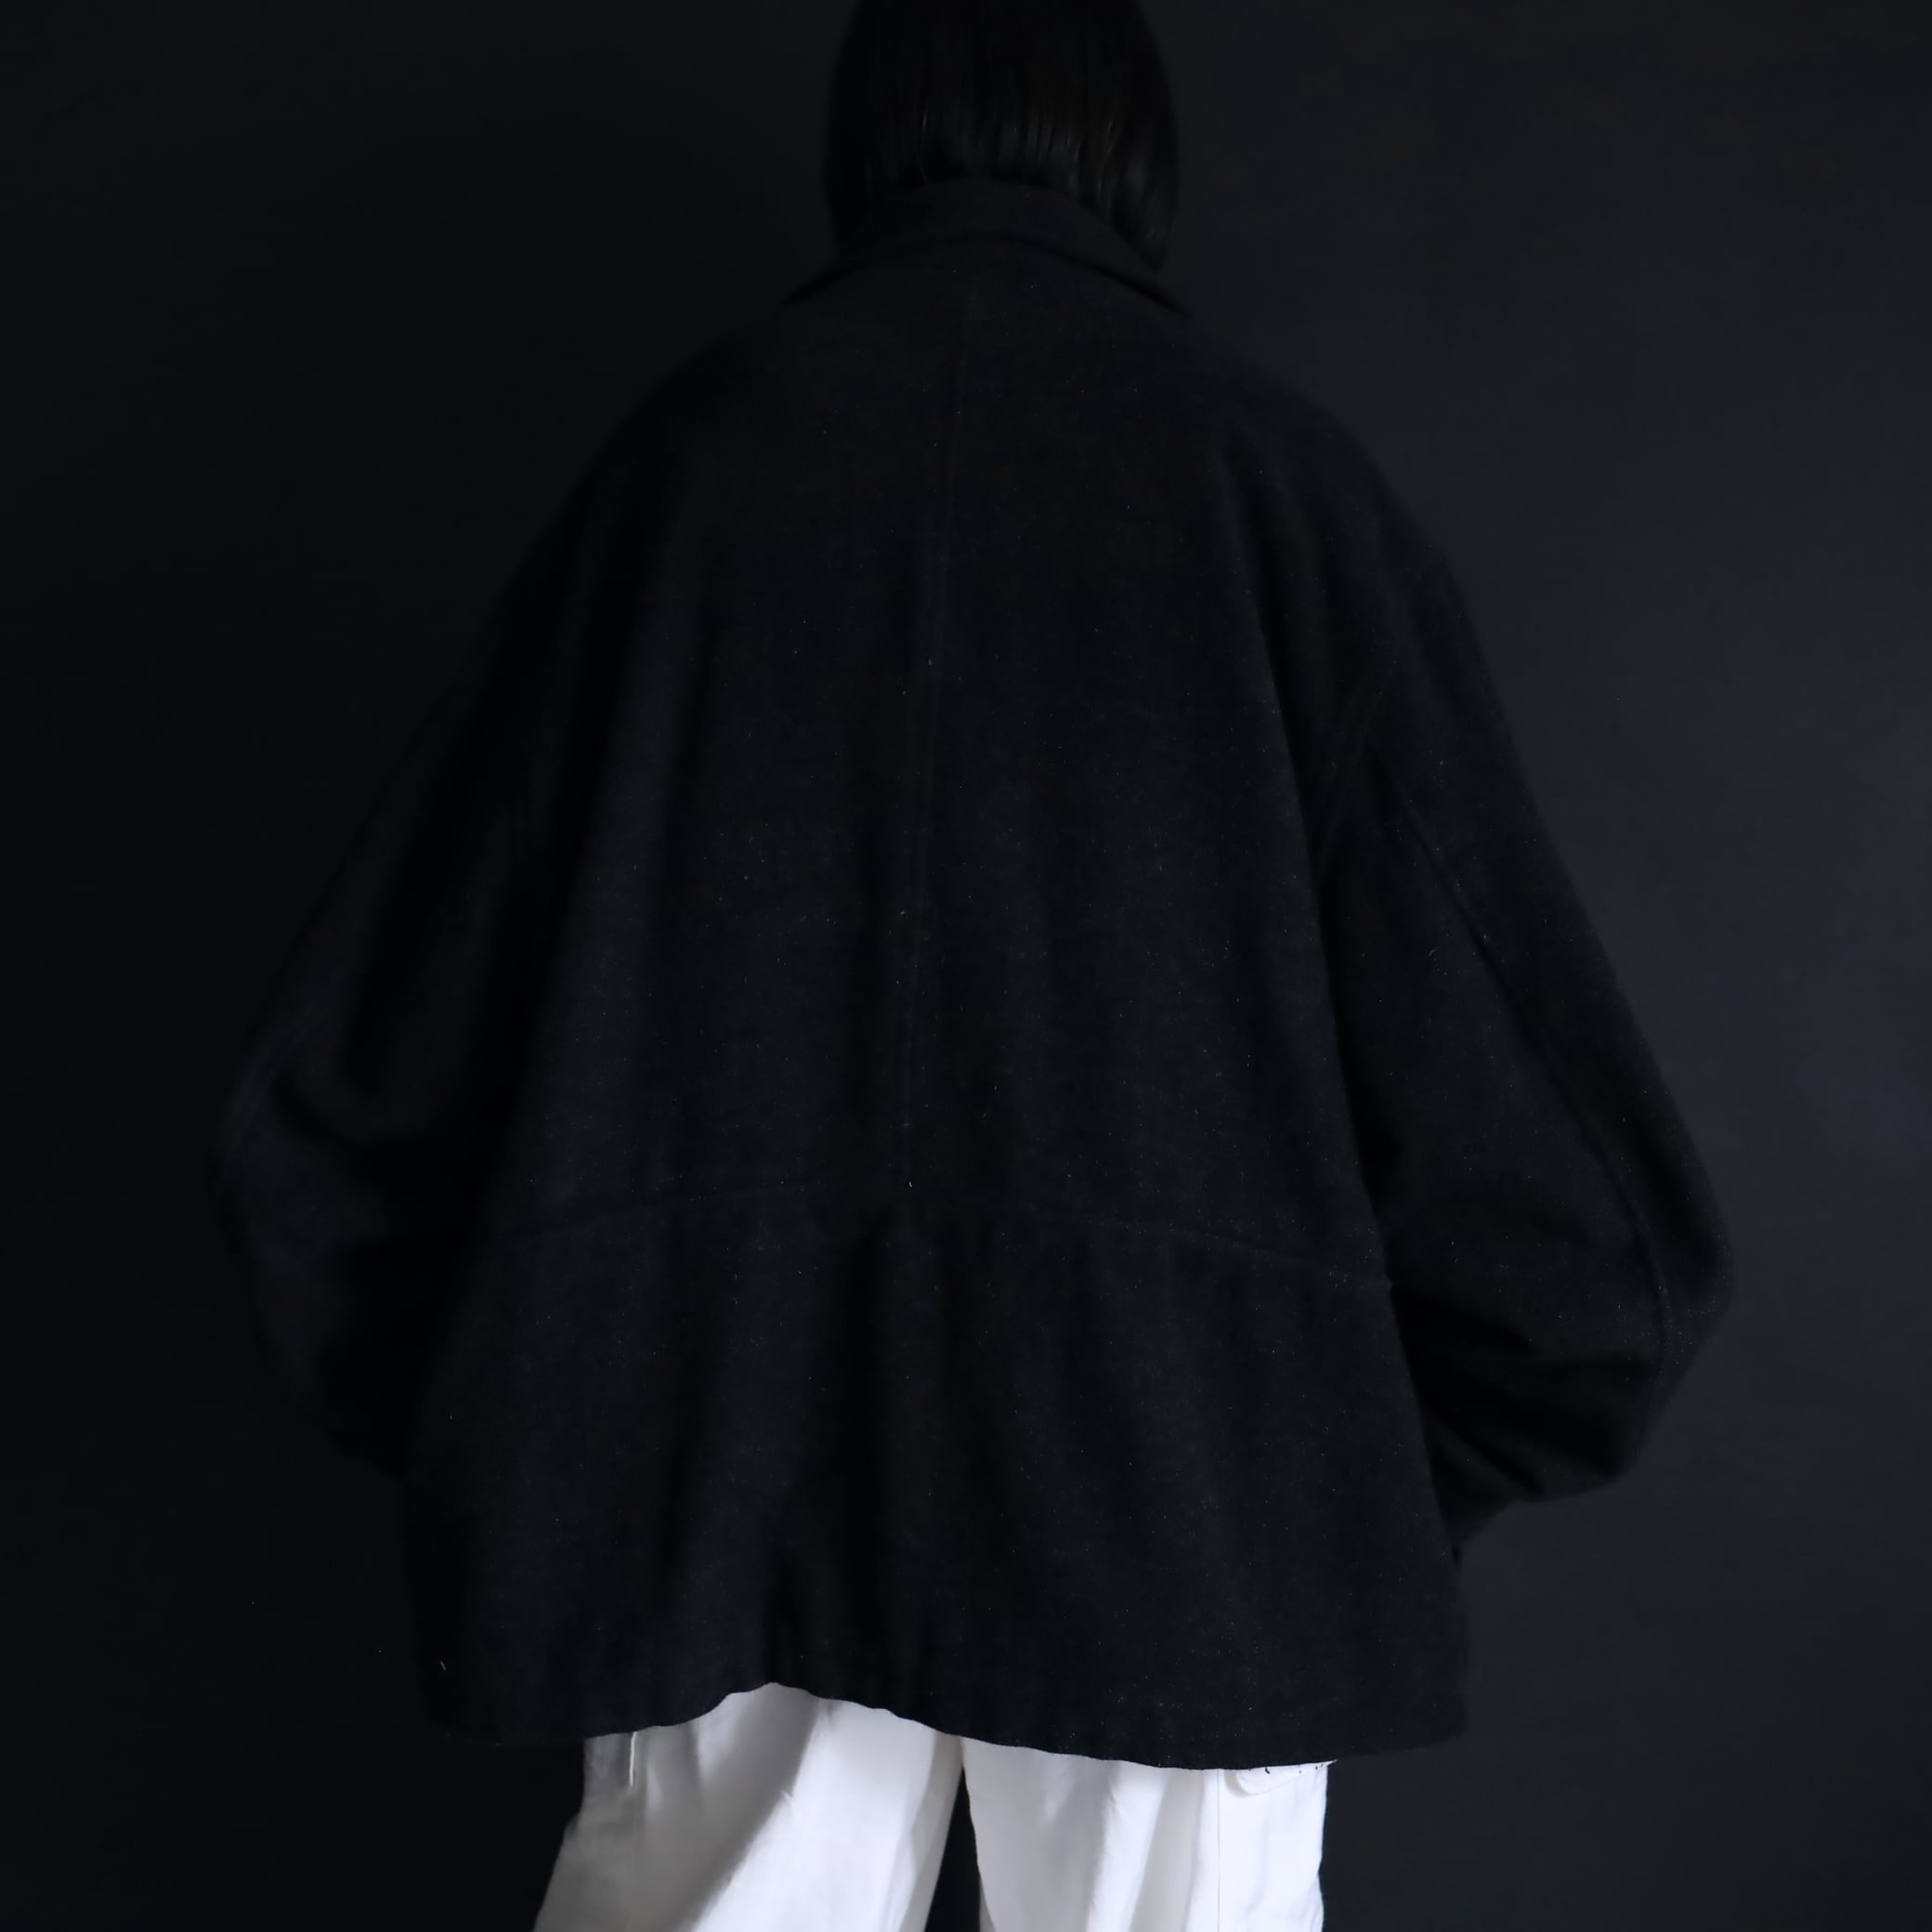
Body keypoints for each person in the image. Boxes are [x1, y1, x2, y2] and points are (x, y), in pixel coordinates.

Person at [205, 0, 1736, 1925]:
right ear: (1135, 157)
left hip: (710, 1495)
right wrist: (1314, 1469)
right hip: (1191, 1522)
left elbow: (337, 1112)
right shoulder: (1272, 491)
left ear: (869, 139)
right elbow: (1579, 1211)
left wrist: (563, 1433)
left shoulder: (679, 481)